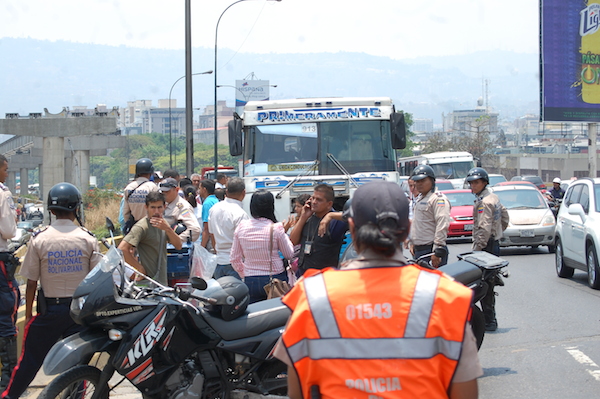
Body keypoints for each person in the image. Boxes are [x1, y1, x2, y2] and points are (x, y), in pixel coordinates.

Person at [275, 181, 482, 399]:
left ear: (352, 228)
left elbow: (297, 390)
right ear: (407, 231)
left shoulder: (311, 295)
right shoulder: (446, 297)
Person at [2, 183, 100, 399]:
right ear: (76, 208)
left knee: (28, 362)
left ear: (51, 210)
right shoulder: (88, 238)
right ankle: (77, 396)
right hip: (78, 313)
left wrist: (29, 315)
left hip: (49, 312)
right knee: (77, 364)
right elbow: (96, 281)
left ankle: (10, 397)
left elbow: (31, 282)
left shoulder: (40, 238)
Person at [230, 190, 294, 303]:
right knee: (276, 316)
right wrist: (284, 232)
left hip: (250, 279)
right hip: (274, 278)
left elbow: (234, 259)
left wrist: (244, 273)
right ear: (271, 206)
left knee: (254, 315)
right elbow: (289, 254)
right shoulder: (276, 228)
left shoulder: (241, 227)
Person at [466, 167, 509, 332]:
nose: (473, 186)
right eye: (471, 183)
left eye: (476, 182)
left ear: (484, 183)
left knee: (484, 284)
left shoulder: (484, 202)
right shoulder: (493, 197)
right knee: (488, 282)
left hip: (486, 246)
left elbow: (483, 229)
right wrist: (497, 232)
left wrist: (476, 250)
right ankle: (488, 319)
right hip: (493, 243)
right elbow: (504, 217)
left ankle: (489, 320)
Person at [118, 191, 183, 285]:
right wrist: (139, 269)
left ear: (164, 207)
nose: (156, 211)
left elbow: (178, 246)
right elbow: (122, 249)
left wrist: (168, 229)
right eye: (153, 207)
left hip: (161, 283)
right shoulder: (142, 227)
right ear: (146, 207)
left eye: (159, 207)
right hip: (147, 285)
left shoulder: (163, 224)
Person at [289, 184, 347, 275]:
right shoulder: (308, 216)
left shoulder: (334, 221)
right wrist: (303, 217)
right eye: (313, 198)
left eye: (319, 200)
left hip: (324, 276)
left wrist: (330, 216)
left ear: (329, 204)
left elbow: (358, 216)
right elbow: (292, 242)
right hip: (303, 273)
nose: (314, 202)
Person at [0, 155, 19, 391]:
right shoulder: (3, 194)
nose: (6, 174)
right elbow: (8, 230)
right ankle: (9, 382)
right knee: (7, 313)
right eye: (5, 169)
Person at [409, 165, 451, 267]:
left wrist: (437, 250)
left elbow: (442, 223)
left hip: (431, 250)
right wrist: (412, 242)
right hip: (420, 249)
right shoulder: (420, 198)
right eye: (417, 181)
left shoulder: (437, 199)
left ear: (431, 181)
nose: (419, 184)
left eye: (422, 181)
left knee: (433, 281)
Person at [208, 177, 249, 279]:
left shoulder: (214, 209)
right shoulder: (241, 214)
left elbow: (212, 235)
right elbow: (244, 243)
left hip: (219, 262)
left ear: (226, 191)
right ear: (243, 193)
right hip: (236, 264)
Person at [122, 158, 159, 234]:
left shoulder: (129, 188)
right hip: (150, 227)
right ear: (151, 172)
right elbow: (157, 208)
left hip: (135, 227)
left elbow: (126, 213)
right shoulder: (152, 187)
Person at [160, 178, 201, 243]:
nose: (164, 194)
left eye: (167, 191)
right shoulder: (164, 204)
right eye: (162, 192)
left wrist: (177, 240)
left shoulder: (182, 207)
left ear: (177, 190)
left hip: (175, 250)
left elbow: (194, 230)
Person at [200, 180, 219, 249]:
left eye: (200, 188)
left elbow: (206, 228)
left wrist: (201, 248)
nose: (199, 191)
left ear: (204, 189)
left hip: (211, 241)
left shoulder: (207, 203)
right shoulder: (216, 200)